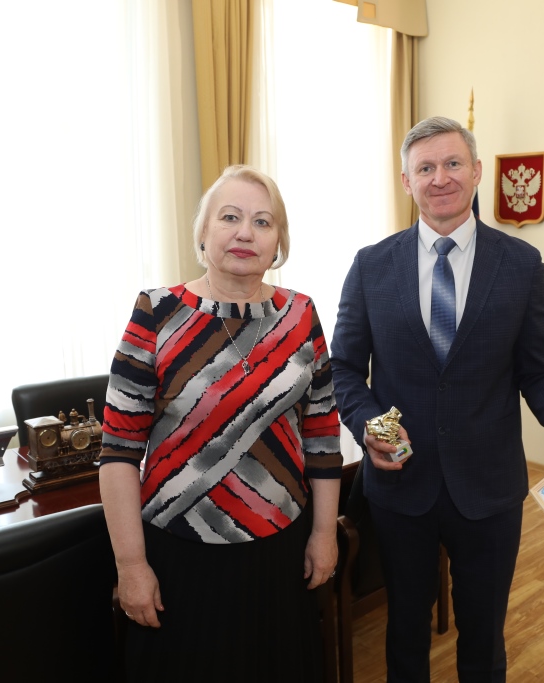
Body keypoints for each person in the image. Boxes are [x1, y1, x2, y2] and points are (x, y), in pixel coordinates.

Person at [330, 116, 544, 683]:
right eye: (425, 168)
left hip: (489, 490)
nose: (440, 177)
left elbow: (537, 371)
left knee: (485, 637)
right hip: (400, 486)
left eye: (452, 163)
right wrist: (372, 428)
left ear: (477, 171)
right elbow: (344, 367)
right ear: (406, 181)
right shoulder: (371, 266)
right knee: (405, 632)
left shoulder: (520, 264)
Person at [98, 165, 343, 682]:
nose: (245, 232)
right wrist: (131, 566)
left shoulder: (301, 314)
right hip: (180, 554)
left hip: (280, 553)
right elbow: (118, 451)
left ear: (278, 242)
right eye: (230, 217)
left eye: (262, 221)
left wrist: (324, 534)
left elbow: (322, 436)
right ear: (204, 232)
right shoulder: (157, 312)